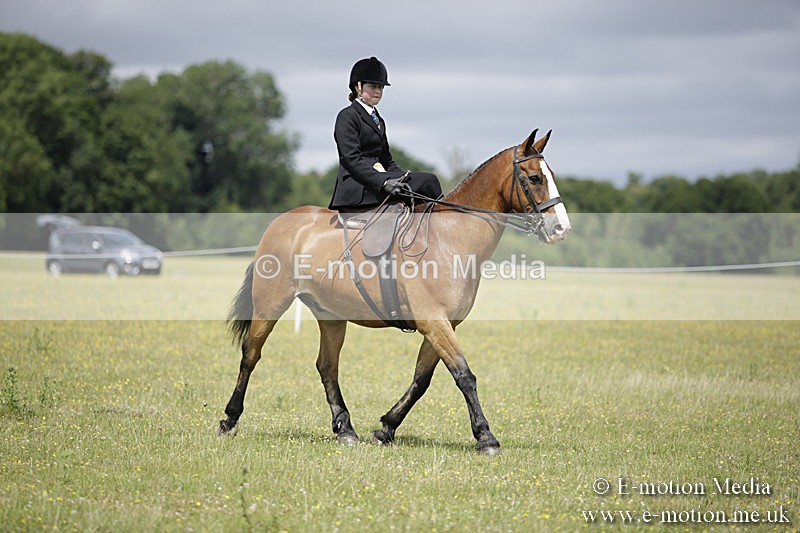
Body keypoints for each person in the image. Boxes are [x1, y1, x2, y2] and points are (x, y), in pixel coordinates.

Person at [328, 57, 442, 211]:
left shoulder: (377, 119)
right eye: (373, 86)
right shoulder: (347, 116)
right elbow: (352, 160)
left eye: (381, 87)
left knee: (422, 185)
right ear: (358, 87)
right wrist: (383, 182)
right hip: (358, 186)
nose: (378, 91)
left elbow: (386, 160)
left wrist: (403, 178)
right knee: (429, 181)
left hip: (377, 179)